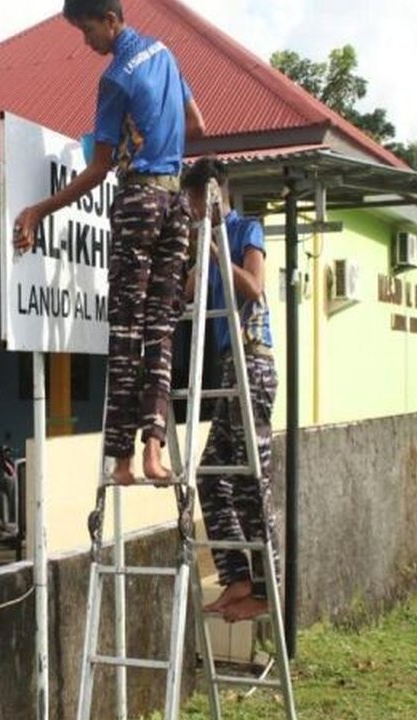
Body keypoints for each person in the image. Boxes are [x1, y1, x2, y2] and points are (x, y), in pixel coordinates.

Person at [13, 0, 205, 485]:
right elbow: (197, 125)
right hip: (176, 204)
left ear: (111, 20)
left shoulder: (116, 78)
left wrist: (38, 209)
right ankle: (153, 453)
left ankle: (120, 462)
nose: (86, 41)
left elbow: (97, 169)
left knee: (125, 332)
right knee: (160, 331)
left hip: (139, 200)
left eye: (87, 29)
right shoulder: (166, 54)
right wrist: (151, 138)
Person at [181, 157, 278, 622]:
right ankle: (237, 577)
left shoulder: (246, 231)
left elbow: (254, 288)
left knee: (250, 479)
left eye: (197, 201)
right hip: (226, 369)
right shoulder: (205, 241)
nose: (194, 210)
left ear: (216, 195)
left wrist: (219, 251)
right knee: (210, 475)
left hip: (253, 364)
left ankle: (269, 587)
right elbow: (188, 292)